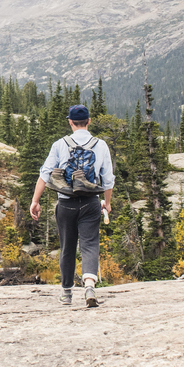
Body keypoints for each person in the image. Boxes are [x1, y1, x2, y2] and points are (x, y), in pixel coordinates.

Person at [30, 104, 115, 308]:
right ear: (89, 121)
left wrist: (35, 201)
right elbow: (108, 179)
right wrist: (107, 203)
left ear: (70, 122)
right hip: (91, 202)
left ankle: (67, 292)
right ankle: (89, 287)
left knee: (67, 247)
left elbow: (45, 174)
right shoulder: (100, 145)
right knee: (90, 244)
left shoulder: (60, 144)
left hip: (66, 203)